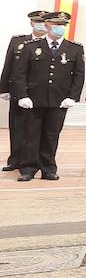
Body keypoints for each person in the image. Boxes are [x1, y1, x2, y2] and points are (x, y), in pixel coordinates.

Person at [11, 11, 86, 181]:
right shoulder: (31, 47)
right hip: (33, 100)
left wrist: (72, 97)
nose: (60, 28)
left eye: (62, 25)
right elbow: (19, 73)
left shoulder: (74, 48)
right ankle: (28, 168)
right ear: (47, 25)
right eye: (56, 24)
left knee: (51, 135)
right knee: (31, 135)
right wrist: (22, 95)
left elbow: (79, 76)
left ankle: (48, 168)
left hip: (59, 101)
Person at [2, 10, 48, 172]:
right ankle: (15, 159)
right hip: (18, 90)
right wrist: (4, 88)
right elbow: (8, 65)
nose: (41, 25)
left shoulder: (51, 45)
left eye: (44, 22)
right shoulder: (18, 41)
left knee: (37, 129)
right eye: (37, 22)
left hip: (40, 93)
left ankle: (34, 160)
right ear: (31, 23)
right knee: (17, 127)